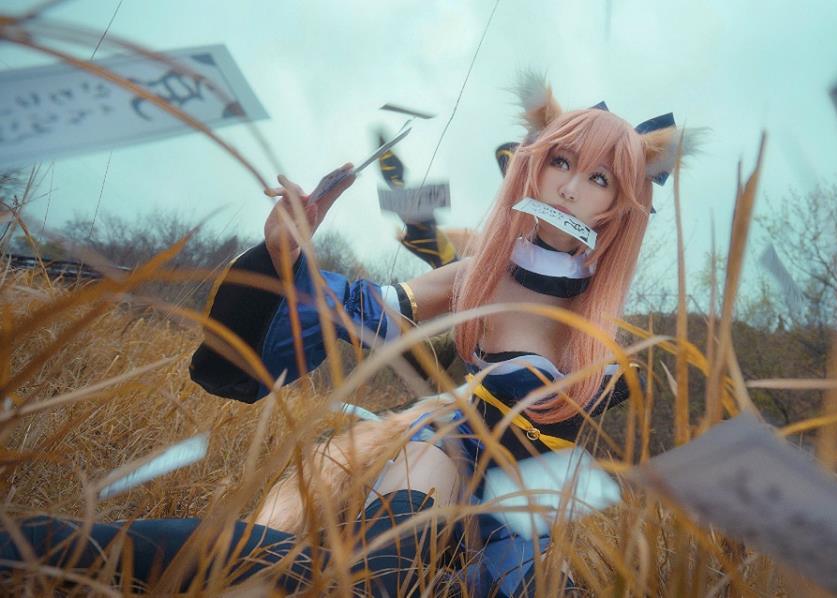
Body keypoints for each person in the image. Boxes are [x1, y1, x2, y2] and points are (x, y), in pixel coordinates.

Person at [1, 75, 686, 595]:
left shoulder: (606, 338)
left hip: (514, 512)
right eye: (560, 162)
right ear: (533, 165)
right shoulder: (480, 272)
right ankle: (48, 545)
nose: (570, 188)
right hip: (443, 453)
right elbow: (364, 309)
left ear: (620, 202)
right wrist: (286, 254)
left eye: (598, 177)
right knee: (361, 577)